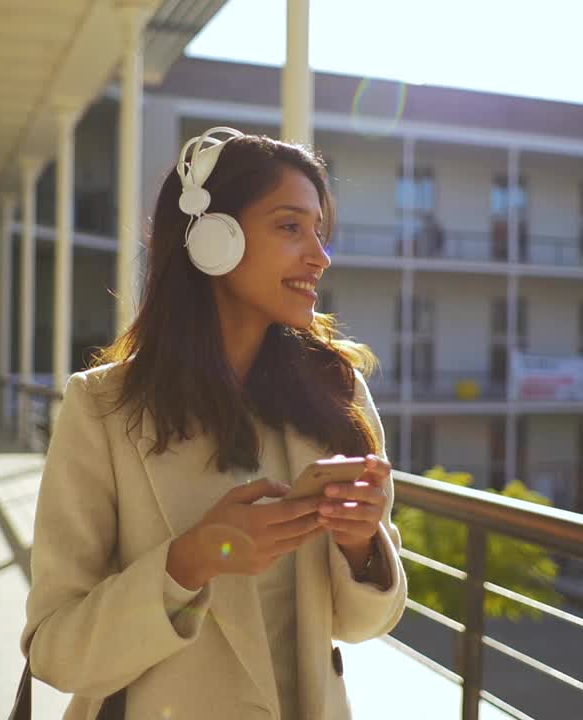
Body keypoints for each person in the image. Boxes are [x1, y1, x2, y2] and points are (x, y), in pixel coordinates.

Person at [20, 127, 408, 720]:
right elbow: (55, 649)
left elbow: (362, 625)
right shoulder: (102, 407)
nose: (319, 256)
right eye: (290, 227)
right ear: (211, 238)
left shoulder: (336, 392)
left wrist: (361, 548)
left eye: (320, 232)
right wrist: (189, 562)